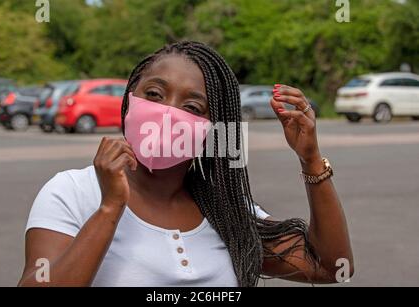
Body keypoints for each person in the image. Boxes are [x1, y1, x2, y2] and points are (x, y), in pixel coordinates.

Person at [18, 41, 353, 287]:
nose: (167, 113)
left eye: (192, 107)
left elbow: (331, 268)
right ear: (129, 99)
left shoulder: (226, 213)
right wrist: (109, 210)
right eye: (154, 94)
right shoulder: (71, 192)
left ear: (213, 130)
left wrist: (310, 161)